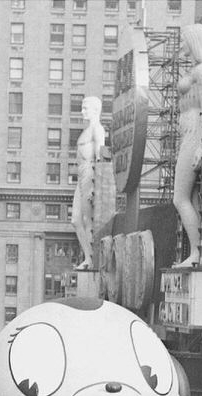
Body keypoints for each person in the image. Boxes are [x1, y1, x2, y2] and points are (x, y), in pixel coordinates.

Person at [171, 22, 202, 267]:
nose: (181, 45)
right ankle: (196, 252)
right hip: (188, 134)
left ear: (194, 41)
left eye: (184, 40)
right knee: (192, 197)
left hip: (196, 134)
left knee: (180, 198)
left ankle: (197, 253)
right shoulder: (195, 70)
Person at [70, 96, 113, 270]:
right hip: (81, 176)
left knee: (88, 219)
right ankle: (88, 256)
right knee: (75, 220)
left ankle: (92, 259)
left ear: (96, 109)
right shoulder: (86, 130)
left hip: (90, 173)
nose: (82, 111)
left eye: (85, 108)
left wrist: (97, 183)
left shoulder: (98, 129)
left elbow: (99, 156)